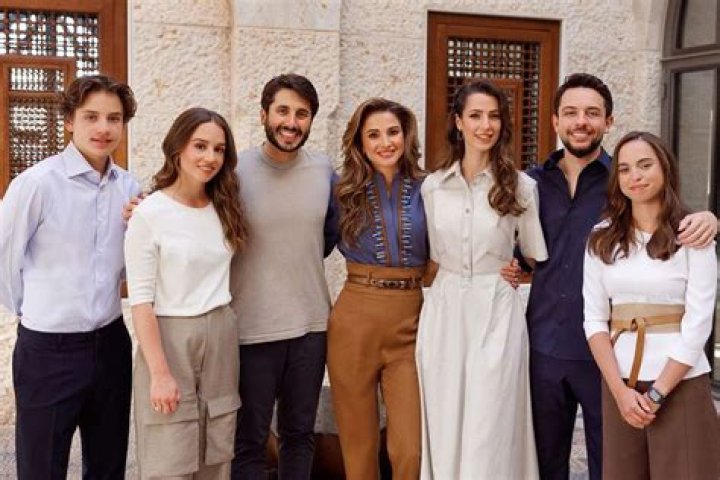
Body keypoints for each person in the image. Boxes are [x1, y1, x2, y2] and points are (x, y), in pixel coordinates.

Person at [502, 73, 718, 480]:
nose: (581, 122)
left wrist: (710, 218)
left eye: (592, 113)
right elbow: (521, 249)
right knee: (545, 462)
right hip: (546, 344)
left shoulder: (622, 181)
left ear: (608, 121)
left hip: (607, 356)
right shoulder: (531, 184)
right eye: (570, 113)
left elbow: (669, 221)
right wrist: (509, 264)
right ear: (555, 121)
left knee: (614, 467)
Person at [0, 75, 138, 479]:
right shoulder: (37, 184)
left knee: (108, 467)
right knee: (41, 468)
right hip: (48, 350)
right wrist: (35, 311)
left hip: (111, 344)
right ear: (69, 121)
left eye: (114, 118)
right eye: (91, 116)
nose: (103, 128)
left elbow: (130, 264)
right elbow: (3, 256)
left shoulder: (129, 187)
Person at [417, 78, 547, 479]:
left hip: (496, 310)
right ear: (458, 122)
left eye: (493, 116)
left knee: (490, 422)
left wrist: (515, 267)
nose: (485, 125)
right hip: (445, 311)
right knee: (444, 418)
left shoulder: (522, 187)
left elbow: (534, 255)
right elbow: (430, 256)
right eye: (475, 115)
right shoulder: (432, 187)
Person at [583, 131, 720, 479]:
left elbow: (699, 322)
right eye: (625, 169)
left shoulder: (693, 235)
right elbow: (594, 320)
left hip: (681, 383)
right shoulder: (601, 237)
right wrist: (619, 391)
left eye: (645, 165)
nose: (635, 176)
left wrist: (658, 392)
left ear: (665, 168)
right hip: (622, 385)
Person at [125, 108, 248, 479]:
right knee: (169, 454)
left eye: (219, 149)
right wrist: (160, 374)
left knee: (218, 448)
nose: (210, 157)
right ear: (177, 148)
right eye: (200, 146)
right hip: (169, 337)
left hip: (221, 333)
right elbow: (141, 301)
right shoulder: (149, 213)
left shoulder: (225, 207)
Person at [230, 73, 337, 479]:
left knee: (299, 434)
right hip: (251, 329)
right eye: (283, 111)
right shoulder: (234, 169)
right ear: (264, 115)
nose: (291, 123)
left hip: (311, 327)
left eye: (302, 114)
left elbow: (326, 237)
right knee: (250, 440)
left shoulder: (323, 170)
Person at [328, 98, 426, 480]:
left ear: (406, 135)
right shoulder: (340, 191)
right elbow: (308, 239)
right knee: (359, 447)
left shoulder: (429, 188)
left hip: (412, 323)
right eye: (373, 135)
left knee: (410, 450)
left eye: (392, 132)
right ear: (360, 143)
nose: (385, 142)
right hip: (354, 322)